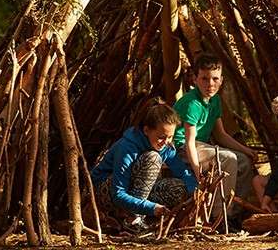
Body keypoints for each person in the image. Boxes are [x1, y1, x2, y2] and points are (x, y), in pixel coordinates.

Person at [172, 53, 257, 225]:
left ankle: (235, 212)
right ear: (195, 79)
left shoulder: (215, 100)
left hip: (201, 146)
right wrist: (197, 173)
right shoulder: (192, 103)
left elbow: (221, 135)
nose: (210, 84)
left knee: (244, 161)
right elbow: (188, 142)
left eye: (215, 79)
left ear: (221, 80)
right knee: (228, 159)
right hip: (181, 148)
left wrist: (247, 151)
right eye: (204, 79)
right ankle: (220, 216)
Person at [90, 103, 198, 232]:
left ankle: (136, 216)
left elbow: (182, 172)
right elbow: (118, 193)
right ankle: (132, 219)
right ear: (146, 130)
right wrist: (151, 208)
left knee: (178, 188)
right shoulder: (127, 147)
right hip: (107, 193)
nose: (166, 142)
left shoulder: (166, 146)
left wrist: (195, 191)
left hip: (135, 193)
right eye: (161, 137)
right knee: (153, 158)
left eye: (170, 137)